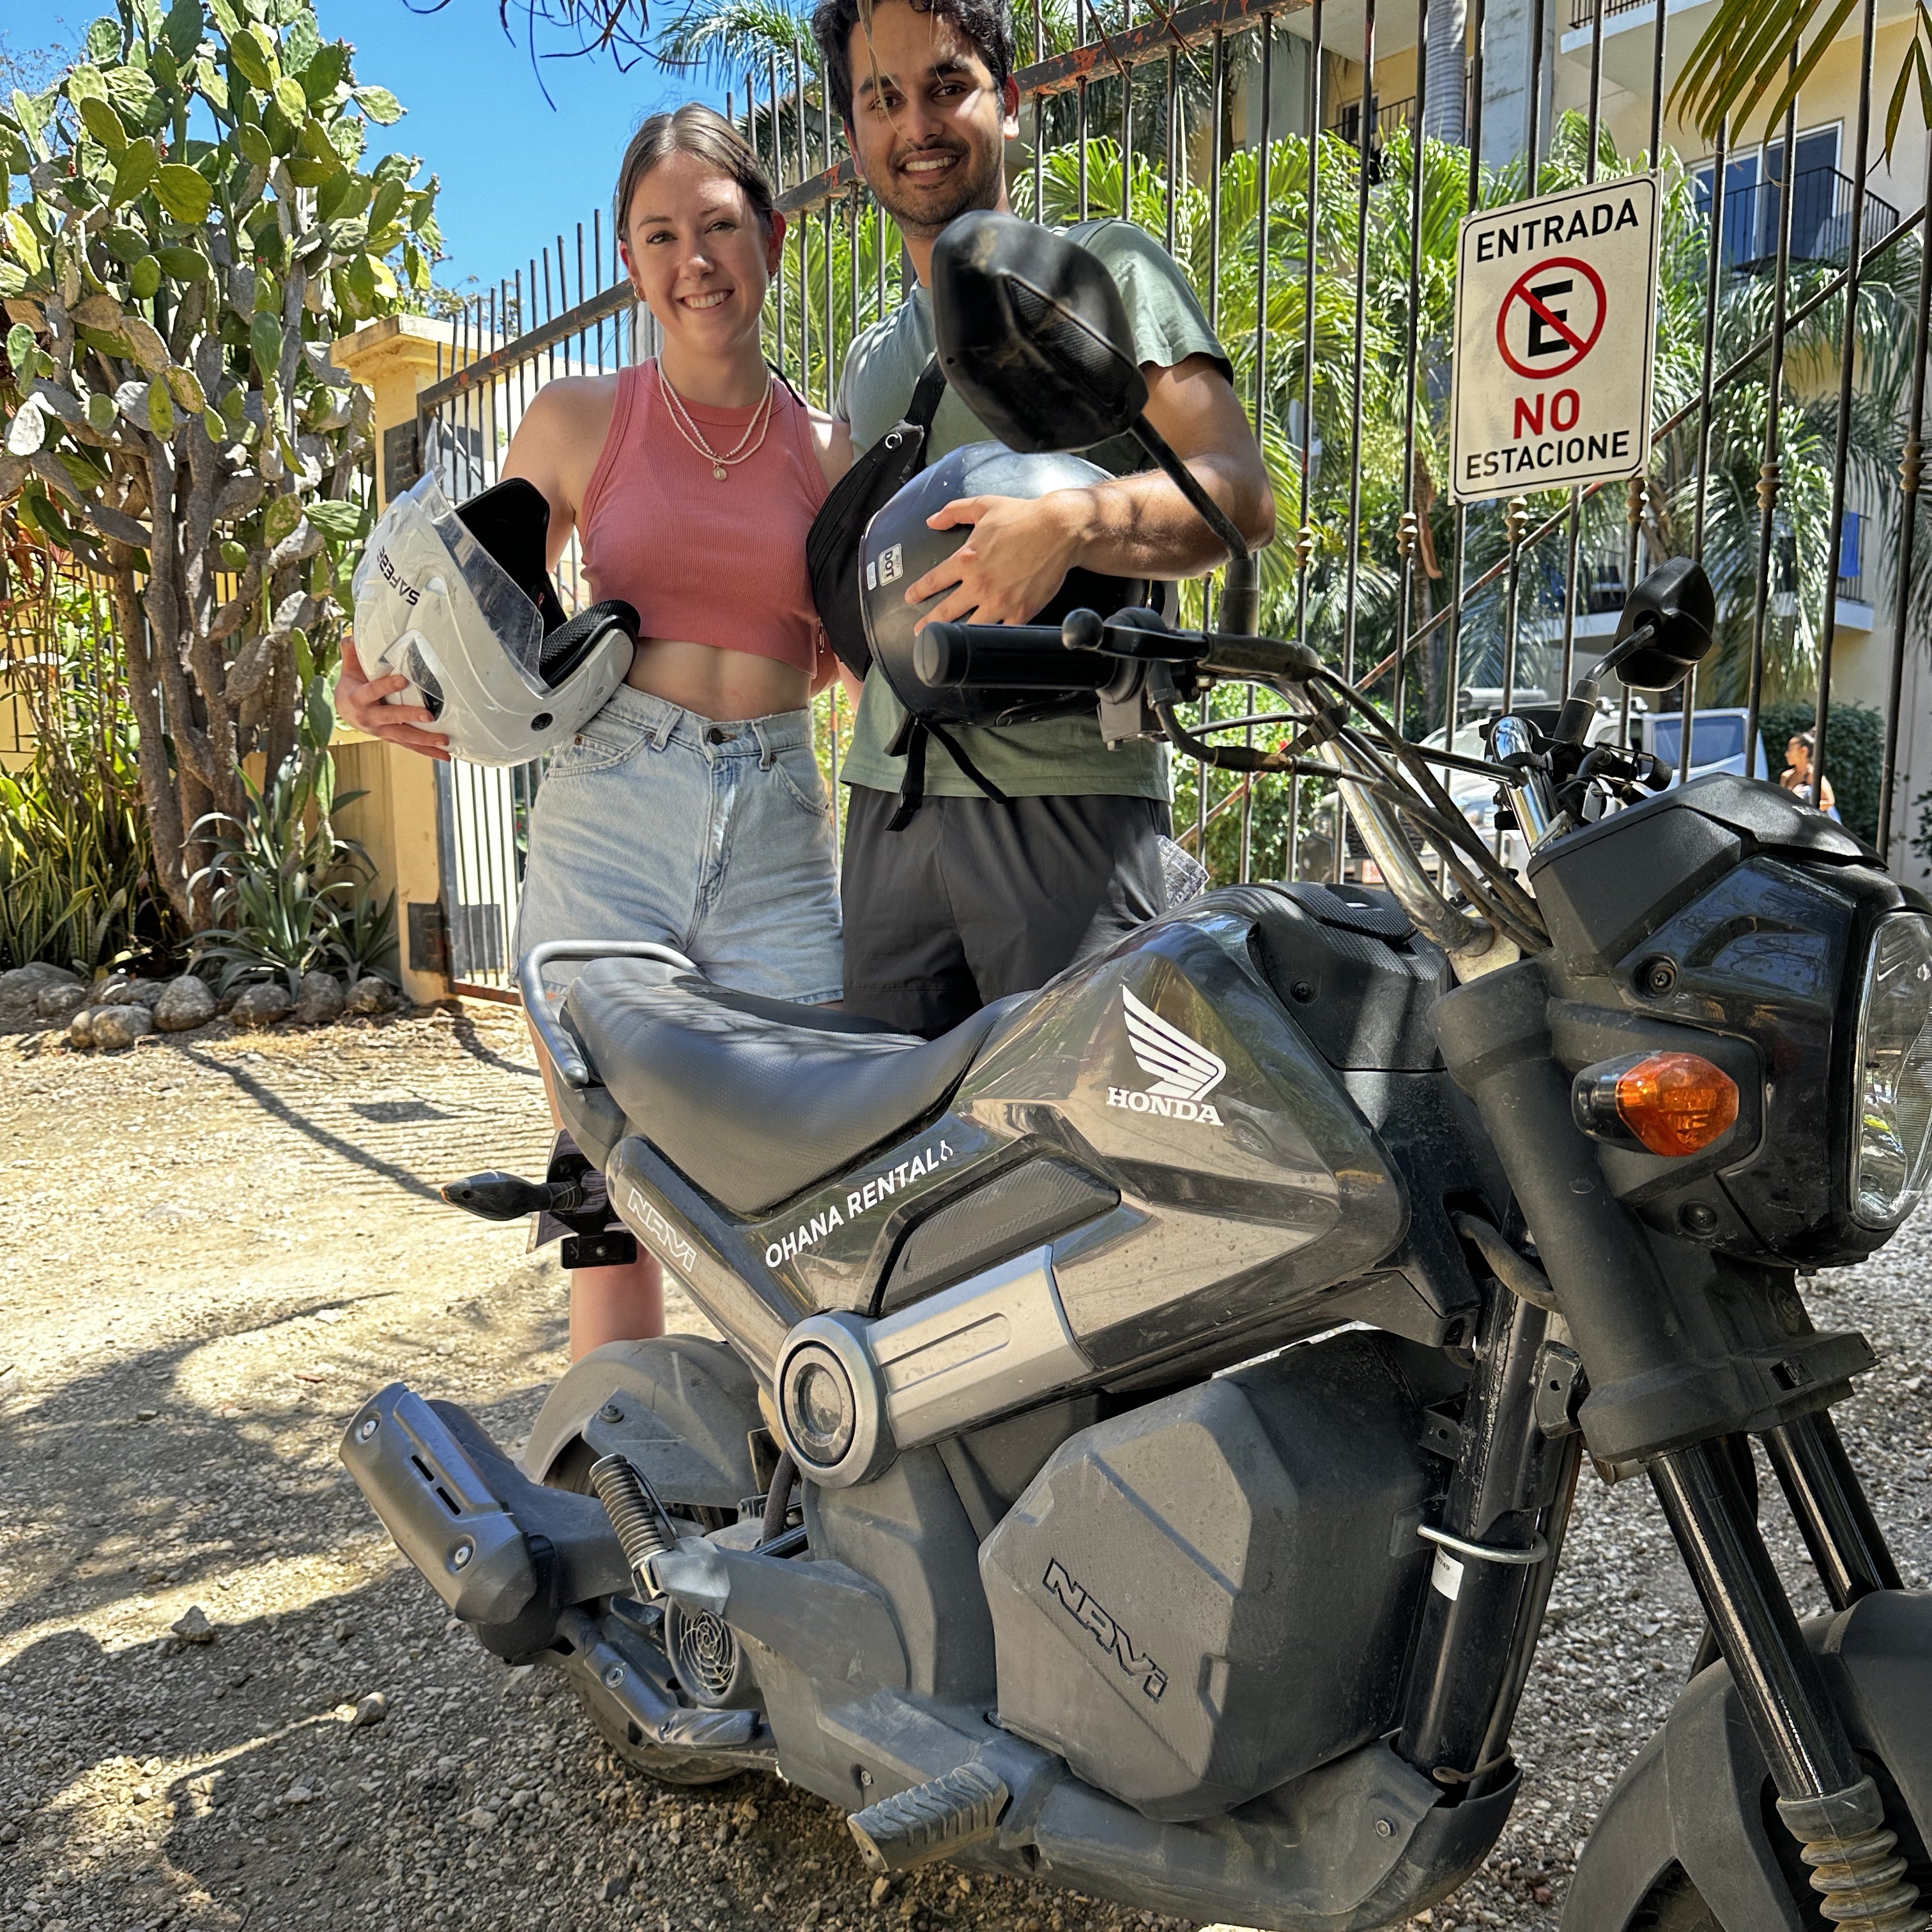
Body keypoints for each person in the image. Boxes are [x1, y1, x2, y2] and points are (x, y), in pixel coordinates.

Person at [335, 105, 852, 1357]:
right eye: (661, 234)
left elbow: (840, 659)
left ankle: (792, 1526)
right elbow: (456, 612)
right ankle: (623, 1513)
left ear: (771, 241)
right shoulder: (576, 423)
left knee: (805, 1199)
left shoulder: (830, 449)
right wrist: (367, 690)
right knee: (616, 1202)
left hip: (780, 823)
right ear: (630, 260)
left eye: (720, 227)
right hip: (611, 809)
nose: (695, 261)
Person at [811, 0, 1275, 1038]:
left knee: (1088, 1158)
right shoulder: (872, 360)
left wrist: (1075, 523)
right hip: (887, 801)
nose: (915, 125)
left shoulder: (1104, 269)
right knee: (897, 1164)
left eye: (945, 86)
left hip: (1068, 797)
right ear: (852, 136)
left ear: (1007, 102)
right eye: (882, 99)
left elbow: (1238, 494)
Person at [1781, 730, 1839, 817]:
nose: (1787, 754)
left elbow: (1829, 802)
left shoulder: (1813, 775)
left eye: (1790, 749)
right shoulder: (1786, 777)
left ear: (1804, 751)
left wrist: (1803, 808)